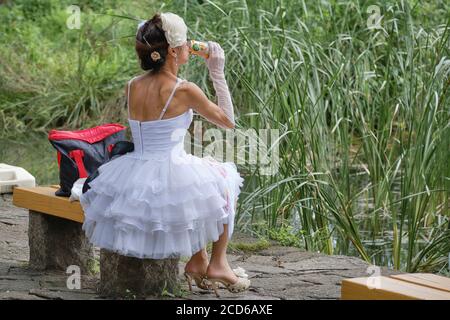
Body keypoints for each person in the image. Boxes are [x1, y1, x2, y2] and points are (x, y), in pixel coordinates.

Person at [79, 12, 250, 297]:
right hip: (169, 167)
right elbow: (228, 121)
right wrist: (216, 71)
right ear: (173, 51)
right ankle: (218, 263)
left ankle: (198, 260)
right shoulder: (184, 90)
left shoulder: (132, 85)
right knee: (226, 176)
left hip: (134, 170)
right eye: (185, 45)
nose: (189, 49)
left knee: (196, 188)